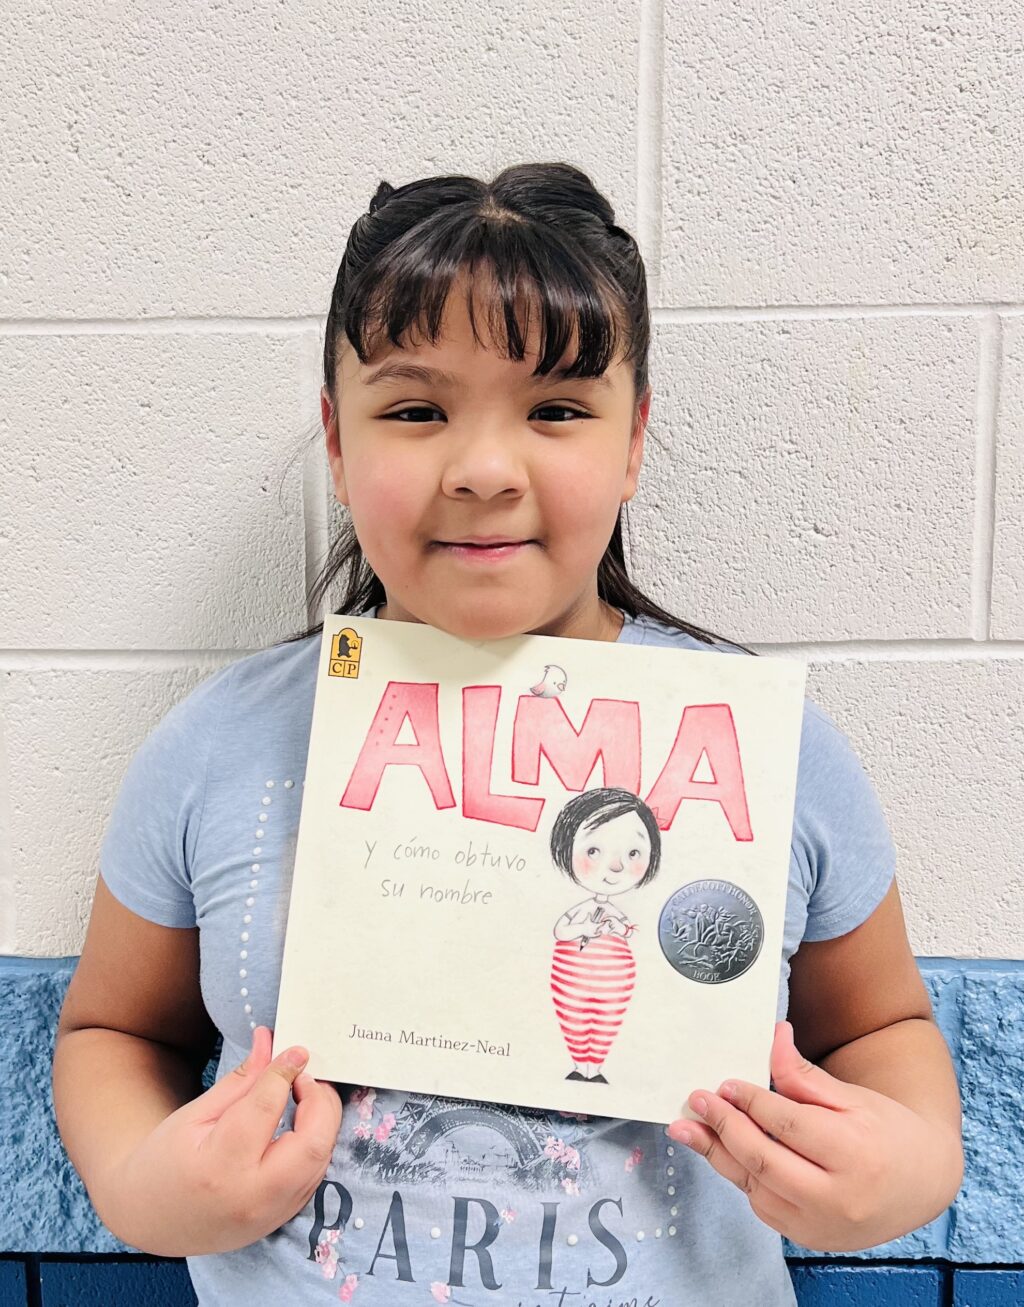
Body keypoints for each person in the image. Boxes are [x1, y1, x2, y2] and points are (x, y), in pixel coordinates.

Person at [52, 162, 963, 1306]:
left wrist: (908, 1164)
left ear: (633, 445)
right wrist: (139, 1180)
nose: (483, 470)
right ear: (336, 441)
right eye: (416, 408)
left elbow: (882, 1023)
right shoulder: (218, 744)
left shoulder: (777, 750)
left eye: (558, 410)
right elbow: (110, 1028)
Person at [548, 788, 661, 1083]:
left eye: (633, 853)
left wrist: (616, 928)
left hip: (614, 982)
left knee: (605, 1023)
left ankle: (594, 1069)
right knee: (574, 1019)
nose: (615, 866)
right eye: (593, 851)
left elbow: (628, 931)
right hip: (571, 977)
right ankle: (578, 1066)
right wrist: (585, 929)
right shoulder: (581, 909)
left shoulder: (613, 910)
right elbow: (560, 931)